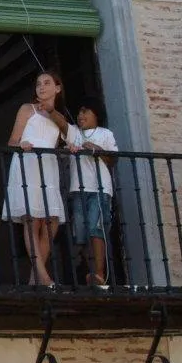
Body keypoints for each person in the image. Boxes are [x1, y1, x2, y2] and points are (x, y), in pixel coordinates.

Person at [2, 70, 69, 287]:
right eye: (38, 84)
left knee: (52, 223)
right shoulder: (27, 109)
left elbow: (69, 139)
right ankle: (44, 277)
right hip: (28, 166)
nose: (41, 87)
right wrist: (21, 145)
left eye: (47, 83)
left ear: (57, 88)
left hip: (47, 169)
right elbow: (12, 141)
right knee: (32, 222)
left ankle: (34, 278)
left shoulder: (59, 118)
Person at [66, 98, 118, 289]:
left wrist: (96, 150)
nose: (81, 115)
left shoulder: (105, 134)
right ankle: (88, 271)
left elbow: (113, 160)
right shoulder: (73, 133)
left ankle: (99, 273)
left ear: (96, 114)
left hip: (99, 189)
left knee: (96, 230)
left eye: (86, 111)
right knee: (81, 233)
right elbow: (60, 124)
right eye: (79, 112)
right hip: (78, 189)